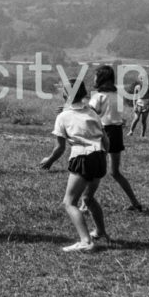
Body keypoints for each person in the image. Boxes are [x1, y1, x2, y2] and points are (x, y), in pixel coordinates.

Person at [39, 79, 109, 253]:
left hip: (82, 158)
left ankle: (86, 241)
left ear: (65, 94)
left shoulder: (62, 116)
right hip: (100, 156)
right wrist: (102, 156)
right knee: (88, 198)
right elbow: (105, 139)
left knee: (69, 202)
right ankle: (100, 232)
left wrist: (49, 160)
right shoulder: (92, 113)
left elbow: (60, 147)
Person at [88, 65, 142, 211]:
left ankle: (85, 203)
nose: (94, 78)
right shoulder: (117, 96)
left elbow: (90, 114)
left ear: (101, 78)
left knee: (94, 170)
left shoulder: (98, 97)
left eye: (95, 76)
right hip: (117, 133)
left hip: (103, 132)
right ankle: (135, 202)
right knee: (115, 172)